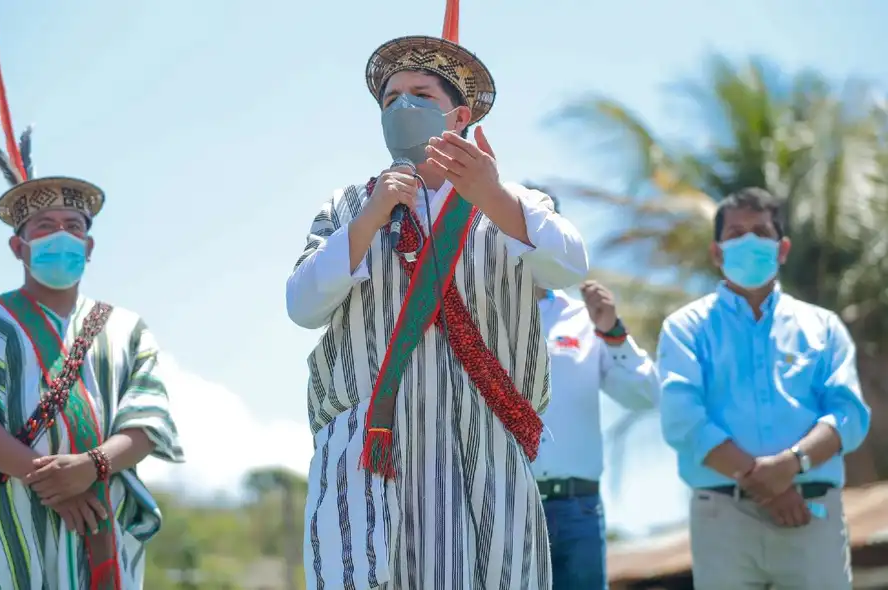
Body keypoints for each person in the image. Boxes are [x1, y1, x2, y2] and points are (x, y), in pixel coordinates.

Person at [286, 5, 589, 587]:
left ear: (459, 113)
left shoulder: (514, 201)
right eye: (390, 97)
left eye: (420, 93)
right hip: (373, 453)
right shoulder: (347, 206)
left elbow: (569, 264)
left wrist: (492, 195)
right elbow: (303, 306)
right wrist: (373, 216)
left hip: (486, 448)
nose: (402, 106)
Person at [0, 26, 184, 589]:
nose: (60, 235)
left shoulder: (126, 328)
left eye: (74, 226)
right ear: (18, 246)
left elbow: (148, 421)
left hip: (101, 520)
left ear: (89, 247)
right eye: (44, 227)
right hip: (4, 522)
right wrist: (46, 478)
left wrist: (88, 470)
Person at [657, 187, 870, 590]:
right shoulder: (684, 329)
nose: (748, 241)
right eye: (735, 233)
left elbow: (848, 416)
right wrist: (767, 486)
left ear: (782, 248)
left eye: (760, 231)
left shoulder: (823, 327)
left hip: (812, 514)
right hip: (724, 518)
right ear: (717, 252)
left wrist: (789, 467)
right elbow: (683, 421)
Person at [533, 274, 659, 590]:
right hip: (507, 504)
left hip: (579, 508)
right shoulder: (477, 311)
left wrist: (613, 332)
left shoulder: (583, 317)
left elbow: (645, 394)